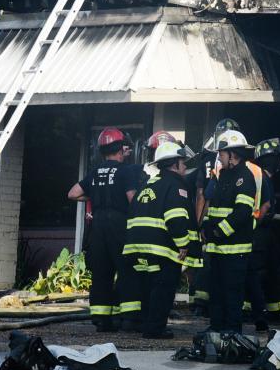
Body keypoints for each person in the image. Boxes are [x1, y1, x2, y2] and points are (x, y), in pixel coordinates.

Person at [120, 142, 196, 339]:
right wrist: (183, 244)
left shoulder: (150, 183)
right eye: (183, 163)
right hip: (160, 247)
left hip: (136, 246)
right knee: (163, 288)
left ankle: (147, 324)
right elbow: (176, 218)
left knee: (147, 286)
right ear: (174, 164)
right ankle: (155, 329)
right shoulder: (176, 185)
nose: (185, 167)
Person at [67, 128, 138, 332]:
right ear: (120, 148)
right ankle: (129, 318)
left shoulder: (95, 172)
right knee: (126, 270)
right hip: (119, 225)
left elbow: (72, 194)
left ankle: (100, 318)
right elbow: (132, 199)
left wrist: (95, 196)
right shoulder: (126, 171)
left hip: (97, 226)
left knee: (101, 272)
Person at [203, 129, 259, 334]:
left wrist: (219, 231)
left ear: (232, 154)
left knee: (232, 292)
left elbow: (243, 211)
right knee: (216, 290)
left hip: (235, 248)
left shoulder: (245, 177)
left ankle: (232, 330)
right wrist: (207, 227)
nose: (219, 157)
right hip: (218, 247)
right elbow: (213, 206)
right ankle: (217, 326)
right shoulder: (224, 176)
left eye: (221, 154)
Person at [191, 118, 241, 315]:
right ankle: (213, 305)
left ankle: (200, 304)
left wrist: (199, 223)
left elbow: (200, 194)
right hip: (229, 220)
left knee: (207, 260)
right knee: (224, 264)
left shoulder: (207, 159)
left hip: (209, 218)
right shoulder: (237, 162)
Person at [252, 138, 280, 326]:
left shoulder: (262, 178)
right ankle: (254, 310)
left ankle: (277, 310)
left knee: (275, 268)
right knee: (259, 271)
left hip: (264, 233)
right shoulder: (261, 179)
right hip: (258, 233)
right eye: (279, 159)